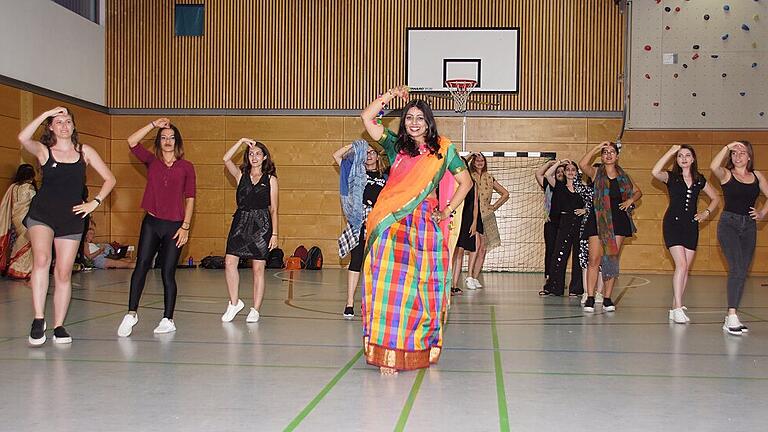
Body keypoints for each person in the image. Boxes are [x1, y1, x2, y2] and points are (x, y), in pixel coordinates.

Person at [360, 85, 473, 374]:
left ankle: (416, 349)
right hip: (391, 224)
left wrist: (446, 210)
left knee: (423, 289)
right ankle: (388, 354)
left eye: (419, 118)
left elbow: (466, 183)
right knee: (390, 289)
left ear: (428, 122)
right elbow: (367, 118)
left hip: (424, 225)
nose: (413, 122)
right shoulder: (395, 146)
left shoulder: (444, 150)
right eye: (409, 117)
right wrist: (389, 96)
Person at [18, 107, 116, 345]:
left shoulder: (85, 152)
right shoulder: (44, 152)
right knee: (42, 260)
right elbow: (22, 138)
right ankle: (39, 318)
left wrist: (94, 202)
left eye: (68, 121)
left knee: (63, 272)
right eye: (58, 122)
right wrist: (46, 113)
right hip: (42, 214)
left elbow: (110, 179)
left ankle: (59, 324)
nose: (64, 125)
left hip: (71, 217)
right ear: (51, 127)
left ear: (73, 126)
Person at [117, 118, 196, 337]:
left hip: (175, 226)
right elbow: (131, 142)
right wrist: (153, 125)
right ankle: (131, 313)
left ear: (177, 142)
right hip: (151, 223)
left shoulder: (186, 167)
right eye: (164, 138)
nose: (168, 141)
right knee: (141, 265)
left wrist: (186, 227)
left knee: (167, 273)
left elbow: (190, 198)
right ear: (159, 141)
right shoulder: (152, 161)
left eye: (171, 138)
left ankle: (168, 318)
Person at [652, 145, 719, 323]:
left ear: (693, 159)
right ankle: (678, 306)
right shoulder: (671, 177)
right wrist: (670, 152)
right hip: (672, 224)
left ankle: (674, 307)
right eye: (680, 156)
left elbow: (716, 198)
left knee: (685, 269)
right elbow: (655, 171)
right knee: (681, 264)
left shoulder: (699, 179)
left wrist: (706, 213)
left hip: (691, 226)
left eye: (687, 155)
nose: (683, 158)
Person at [710, 141, 768, 335]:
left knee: (742, 270)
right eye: (734, 153)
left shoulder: (757, 176)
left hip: (749, 227)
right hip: (729, 225)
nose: (738, 156)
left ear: (749, 156)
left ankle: (730, 317)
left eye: (742, 152)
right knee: (737, 268)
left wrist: (762, 213)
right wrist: (727, 146)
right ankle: (732, 314)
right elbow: (713, 166)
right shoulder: (727, 175)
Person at [220, 139, 279, 323]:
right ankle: (234, 302)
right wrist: (241, 142)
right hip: (240, 222)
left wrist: (275, 233)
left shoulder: (270, 180)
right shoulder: (240, 175)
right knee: (230, 262)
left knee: (258, 268)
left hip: (261, 225)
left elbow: (274, 209)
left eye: (258, 153)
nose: (254, 157)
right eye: (251, 153)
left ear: (264, 157)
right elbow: (226, 158)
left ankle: (255, 309)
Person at [579, 141, 642, 313]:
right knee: (594, 259)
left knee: (611, 260)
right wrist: (596, 148)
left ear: (617, 155)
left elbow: (637, 192)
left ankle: (607, 297)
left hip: (618, 221)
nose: (608, 154)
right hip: (598, 220)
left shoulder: (623, 176)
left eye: (611, 152)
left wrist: (630, 200)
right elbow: (582, 164)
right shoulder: (596, 173)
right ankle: (590, 297)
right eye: (605, 152)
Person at [334, 140, 387, 318]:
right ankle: (349, 303)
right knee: (356, 260)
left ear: (378, 156)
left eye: (372, 152)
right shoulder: (355, 171)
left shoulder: (387, 175)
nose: (369, 156)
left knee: (377, 264)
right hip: (359, 221)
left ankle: (373, 303)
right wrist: (355, 146)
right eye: (366, 153)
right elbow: (336, 156)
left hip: (379, 223)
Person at [539, 160, 585, 296]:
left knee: (578, 257)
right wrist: (559, 162)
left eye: (573, 170)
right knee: (559, 255)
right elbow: (547, 175)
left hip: (579, 224)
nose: (570, 172)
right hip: (564, 223)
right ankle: (555, 287)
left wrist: (584, 210)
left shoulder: (583, 188)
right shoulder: (559, 186)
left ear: (577, 173)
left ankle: (576, 289)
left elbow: (592, 204)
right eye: (568, 169)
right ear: (564, 172)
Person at [465, 152, 509, 289]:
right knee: (476, 246)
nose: (479, 162)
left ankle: (475, 277)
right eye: (476, 160)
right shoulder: (469, 175)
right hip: (473, 215)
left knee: (483, 249)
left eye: (482, 160)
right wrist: (470, 155)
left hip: (487, 215)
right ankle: (469, 276)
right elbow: (461, 165)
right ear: (473, 161)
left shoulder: (490, 177)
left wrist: (494, 206)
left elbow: (505, 193)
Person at [0, 164, 37, 279]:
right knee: (27, 243)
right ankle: (22, 269)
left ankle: (14, 267)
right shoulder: (29, 188)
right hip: (26, 219)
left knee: (20, 241)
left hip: (15, 218)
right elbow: (35, 204)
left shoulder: (13, 187)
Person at [451, 156, 480, 296]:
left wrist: (474, 222)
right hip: (453, 216)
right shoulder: (450, 180)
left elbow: (475, 204)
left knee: (461, 251)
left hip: (467, 218)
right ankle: (447, 283)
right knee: (452, 251)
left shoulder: (472, 183)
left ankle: (454, 285)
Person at [535, 160, 565, 284]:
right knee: (550, 249)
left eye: (563, 172)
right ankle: (549, 276)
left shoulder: (570, 187)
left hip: (565, 223)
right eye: (558, 171)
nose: (560, 173)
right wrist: (550, 164)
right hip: (551, 222)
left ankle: (559, 277)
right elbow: (538, 174)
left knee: (562, 251)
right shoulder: (548, 184)